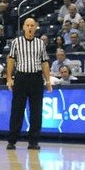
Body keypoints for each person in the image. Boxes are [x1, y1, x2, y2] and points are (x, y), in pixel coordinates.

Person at [6, 17, 52, 150]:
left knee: (36, 111)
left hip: (36, 78)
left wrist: (48, 80)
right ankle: (12, 140)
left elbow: (44, 62)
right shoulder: (16, 42)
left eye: (32, 25)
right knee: (17, 110)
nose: (30, 27)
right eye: (28, 25)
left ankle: (33, 141)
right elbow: (11, 60)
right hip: (21, 77)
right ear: (24, 27)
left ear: (36, 27)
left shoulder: (40, 43)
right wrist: (9, 78)